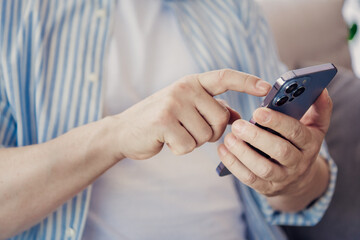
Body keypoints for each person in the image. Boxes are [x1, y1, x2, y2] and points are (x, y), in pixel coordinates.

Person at [0, 0, 336, 239]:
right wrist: (115, 136)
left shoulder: (232, 9)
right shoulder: (12, 14)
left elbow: (302, 195)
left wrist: (297, 178)